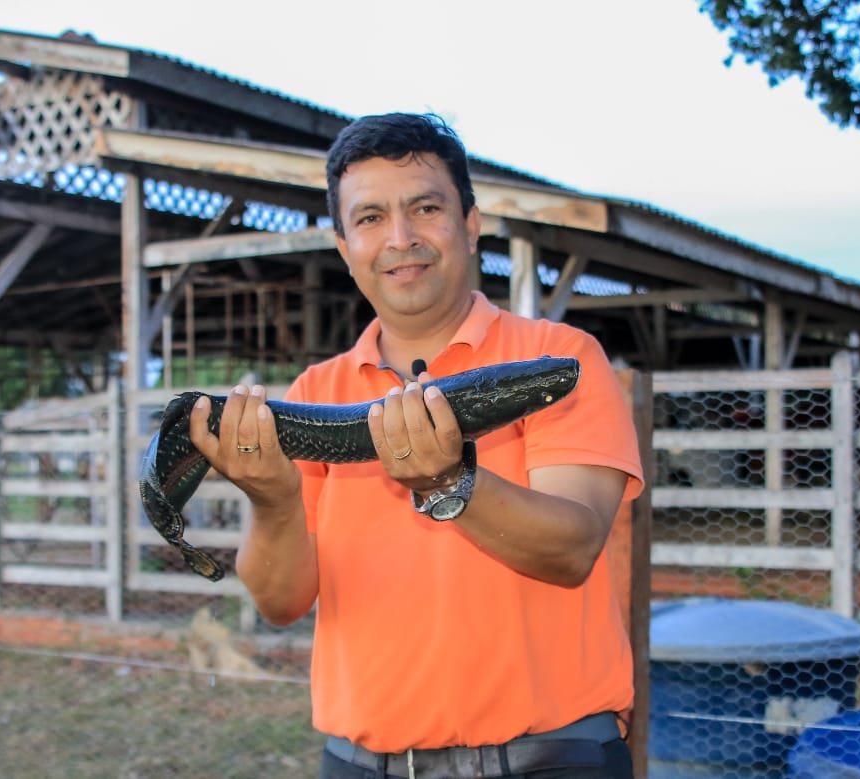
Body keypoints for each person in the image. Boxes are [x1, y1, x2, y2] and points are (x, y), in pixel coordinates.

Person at [189, 112, 645, 779]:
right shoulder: (315, 392)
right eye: (370, 218)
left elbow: (573, 547)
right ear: (344, 248)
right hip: (362, 763)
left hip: (550, 760)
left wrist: (451, 485)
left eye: (425, 208)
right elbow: (281, 601)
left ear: (470, 224)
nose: (401, 239)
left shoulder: (559, 359)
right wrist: (273, 500)